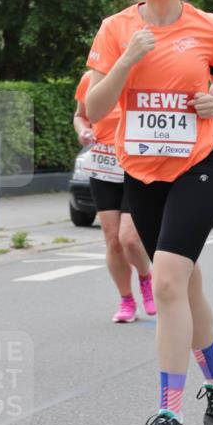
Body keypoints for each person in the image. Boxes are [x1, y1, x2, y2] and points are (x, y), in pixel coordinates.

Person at [85, 0, 213, 425]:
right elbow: (96, 109)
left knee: (169, 281)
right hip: (142, 174)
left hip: (199, 166)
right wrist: (127, 60)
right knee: (187, 289)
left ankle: (169, 415)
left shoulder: (209, 27)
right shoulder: (116, 30)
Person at [73, 71, 154, 322]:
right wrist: (83, 131)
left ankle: (145, 278)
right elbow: (80, 116)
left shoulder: (141, 76)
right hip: (103, 165)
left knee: (129, 239)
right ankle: (126, 300)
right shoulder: (91, 79)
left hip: (136, 165)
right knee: (112, 240)